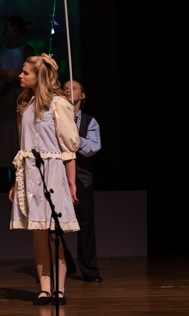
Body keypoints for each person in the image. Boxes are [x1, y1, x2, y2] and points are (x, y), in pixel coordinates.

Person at [9, 54, 80, 306]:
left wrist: (71, 184)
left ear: (39, 77)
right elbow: (23, 148)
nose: (20, 75)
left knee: (55, 233)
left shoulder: (59, 104)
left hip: (52, 171)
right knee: (38, 232)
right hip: (30, 174)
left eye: (26, 72)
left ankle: (59, 288)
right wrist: (16, 182)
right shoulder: (25, 105)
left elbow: (69, 147)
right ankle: (44, 288)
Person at [0, 15, 35, 191]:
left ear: (16, 29)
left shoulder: (26, 50)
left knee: (14, 133)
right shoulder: (2, 47)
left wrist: (12, 85)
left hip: (15, 93)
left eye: (8, 27)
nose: (4, 30)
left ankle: (17, 177)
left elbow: (31, 75)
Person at [63, 79, 103, 283]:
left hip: (83, 180)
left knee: (85, 226)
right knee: (54, 225)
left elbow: (92, 149)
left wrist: (72, 135)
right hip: (59, 179)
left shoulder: (90, 121)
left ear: (83, 95)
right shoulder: (56, 119)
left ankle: (89, 269)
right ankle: (61, 264)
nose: (69, 90)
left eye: (74, 88)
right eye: (65, 88)